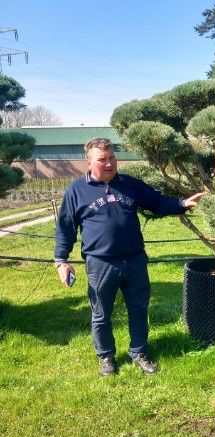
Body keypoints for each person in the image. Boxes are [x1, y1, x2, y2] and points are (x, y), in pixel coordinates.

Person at [54, 137, 203, 376]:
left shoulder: (129, 184)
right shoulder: (76, 190)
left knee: (138, 309)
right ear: (89, 162)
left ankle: (139, 352)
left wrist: (182, 203)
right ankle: (106, 357)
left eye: (112, 158)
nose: (110, 163)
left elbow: (156, 202)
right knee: (101, 314)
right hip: (100, 264)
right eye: (102, 159)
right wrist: (61, 261)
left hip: (134, 261)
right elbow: (65, 227)